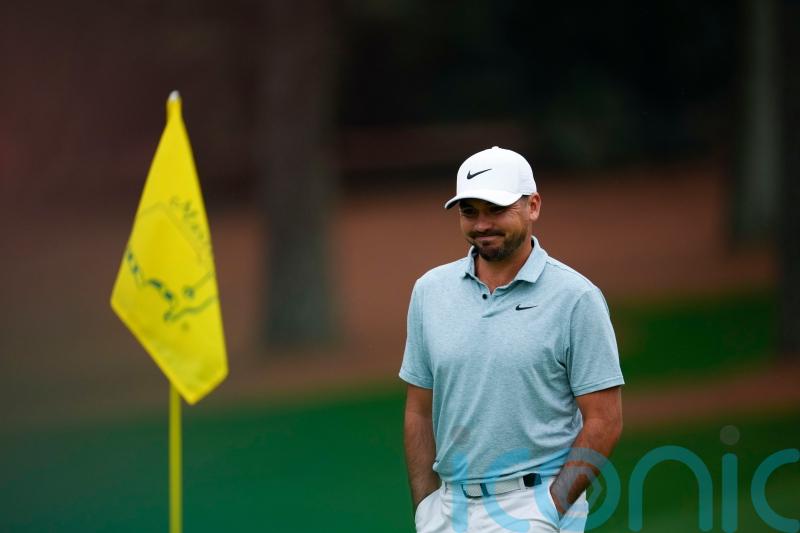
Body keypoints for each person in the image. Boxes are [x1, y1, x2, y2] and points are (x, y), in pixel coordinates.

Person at [399, 146, 624, 533]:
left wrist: (551, 509)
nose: (482, 224)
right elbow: (419, 410)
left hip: (532, 504)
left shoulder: (575, 298)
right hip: (447, 511)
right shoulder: (430, 291)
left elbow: (605, 419)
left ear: (533, 206)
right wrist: (425, 507)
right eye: (469, 212)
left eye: (496, 210)